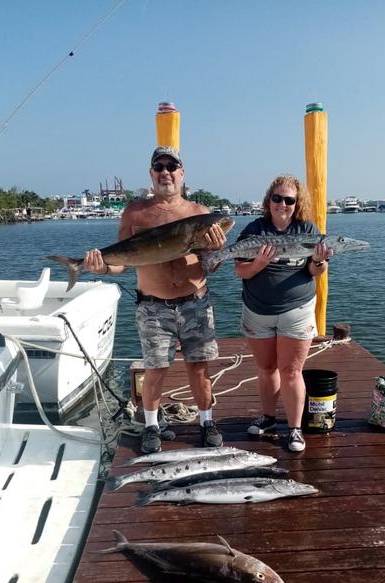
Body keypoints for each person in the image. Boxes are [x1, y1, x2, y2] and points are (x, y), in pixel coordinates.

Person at [83, 146, 227, 454]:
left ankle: (206, 421)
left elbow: (211, 267)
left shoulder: (200, 215)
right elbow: (122, 261)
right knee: (155, 370)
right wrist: (103, 266)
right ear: (151, 174)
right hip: (152, 306)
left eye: (171, 166)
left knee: (199, 368)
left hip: (195, 302)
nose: (165, 172)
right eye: (159, 167)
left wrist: (215, 251)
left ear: (182, 173)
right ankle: (151, 425)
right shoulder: (135, 213)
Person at [234, 175, 333, 452]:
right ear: (269, 200)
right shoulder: (255, 230)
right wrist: (259, 264)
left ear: (296, 203)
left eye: (289, 200)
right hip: (258, 310)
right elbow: (240, 270)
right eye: (277, 198)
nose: (283, 204)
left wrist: (319, 261)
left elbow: (315, 271)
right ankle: (268, 418)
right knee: (266, 369)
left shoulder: (307, 229)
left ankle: (294, 429)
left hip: (296, 310)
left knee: (291, 370)